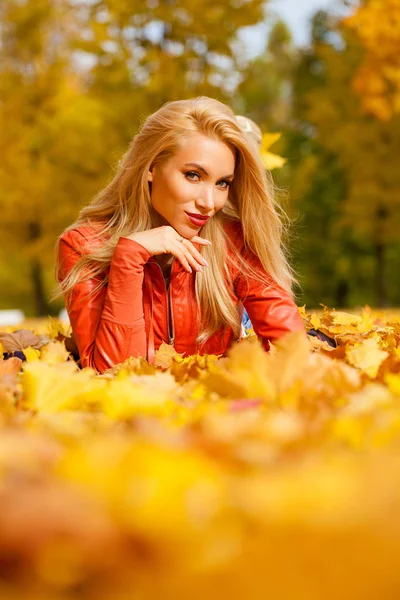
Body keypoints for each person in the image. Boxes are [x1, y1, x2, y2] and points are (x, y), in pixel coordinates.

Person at [54, 96, 305, 373]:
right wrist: (129, 258)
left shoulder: (234, 240)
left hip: (218, 408)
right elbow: (116, 377)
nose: (209, 203)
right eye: (193, 175)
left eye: (222, 183)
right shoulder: (84, 245)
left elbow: (292, 351)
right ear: (151, 167)